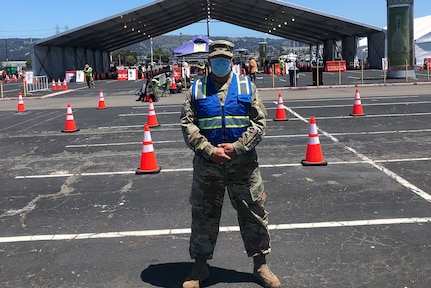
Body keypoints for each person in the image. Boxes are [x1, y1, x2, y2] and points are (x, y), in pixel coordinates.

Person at [180, 40, 281, 288]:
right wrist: (208, 149)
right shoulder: (196, 89)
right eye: (216, 59)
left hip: (243, 165)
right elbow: (187, 124)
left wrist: (237, 147)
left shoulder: (247, 86)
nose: (221, 63)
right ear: (209, 62)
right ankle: (200, 266)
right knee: (203, 215)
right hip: (208, 165)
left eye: (225, 59)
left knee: (254, 214)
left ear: (232, 62)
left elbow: (260, 124)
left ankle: (260, 265)